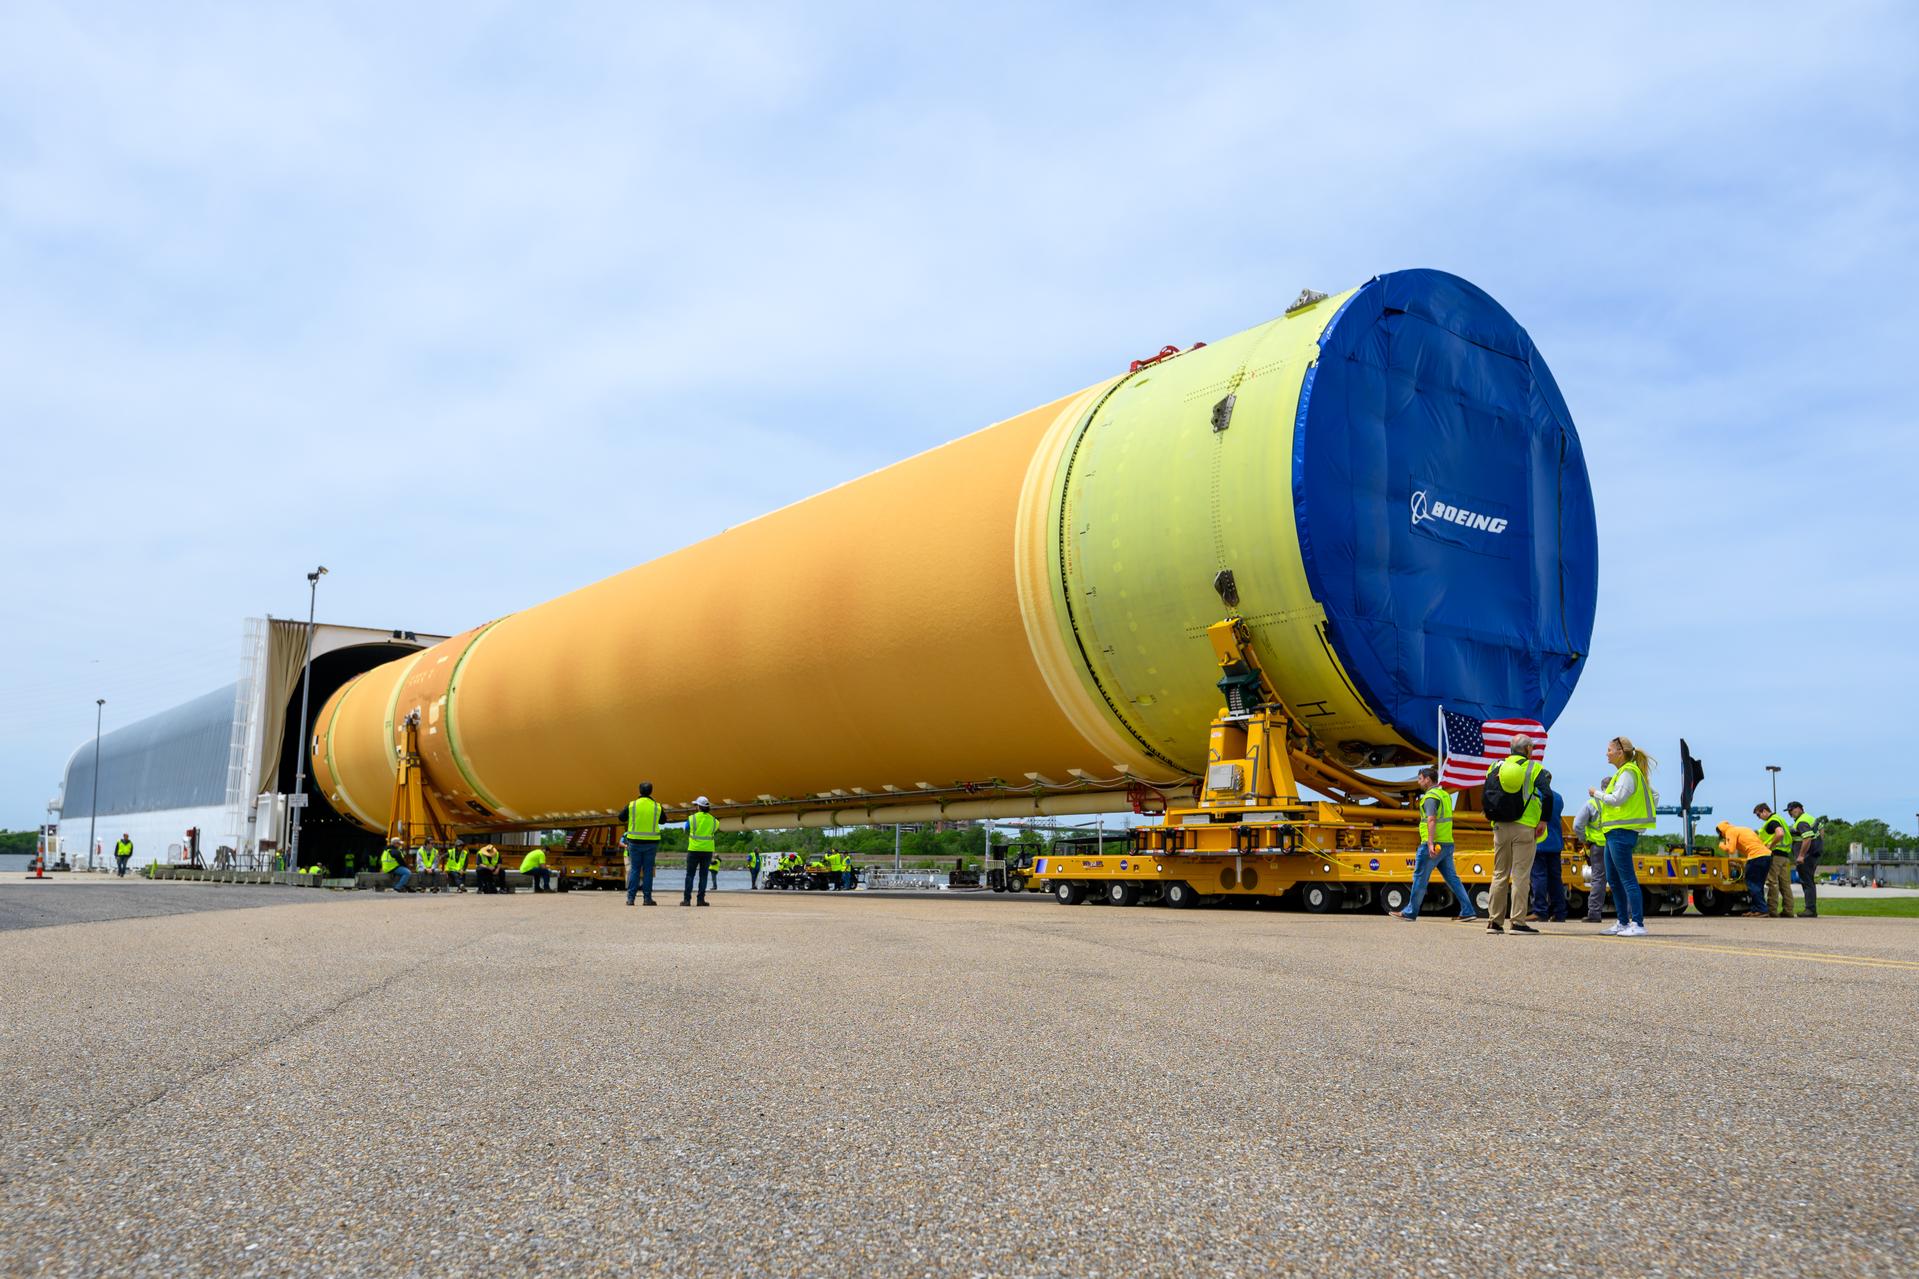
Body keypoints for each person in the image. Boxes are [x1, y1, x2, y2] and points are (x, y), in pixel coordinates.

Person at [1591, 737, 1657, 936]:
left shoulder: (1628, 772)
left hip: (1621, 832)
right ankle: (1622, 922)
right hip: (1614, 832)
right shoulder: (1624, 772)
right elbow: (1653, 796)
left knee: (1627, 878)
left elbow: (1618, 799)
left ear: (1620, 752)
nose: (1607, 753)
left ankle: (1637, 923)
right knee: (1613, 878)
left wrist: (1597, 793)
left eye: (1609, 749)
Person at [1483, 733, 1546, 935]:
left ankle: (1494, 922)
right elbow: (1549, 795)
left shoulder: (1494, 767)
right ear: (1527, 750)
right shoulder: (1533, 768)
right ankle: (1517, 922)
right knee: (1520, 875)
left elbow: (1487, 792)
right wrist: (1543, 820)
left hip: (1500, 825)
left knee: (1499, 874)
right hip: (1524, 827)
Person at [1395, 767, 1476, 922]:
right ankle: (1468, 910)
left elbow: (1431, 820)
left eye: (1420, 778)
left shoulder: (1430, 797)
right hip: (1447, 843)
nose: (1418, 782)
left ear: (1427, 779)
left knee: (1420, 878)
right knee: (1453, 879)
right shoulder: (1444, 795)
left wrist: (1430, 843)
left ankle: (1410, 912)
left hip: (1432, 845)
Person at [1529, 784, 1567, 923]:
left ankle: (1539, 911)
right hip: (1555, 843)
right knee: (1556, 879)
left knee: (1538, 877)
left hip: (1539, 842)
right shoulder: (1558, 797)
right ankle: (1559, 912)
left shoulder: (1534, 795)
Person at [1717, 821, 1773, 916]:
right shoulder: (1743, 829)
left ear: (1721, 831)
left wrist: (1722, 845)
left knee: (1751, 883)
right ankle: (1756, 909)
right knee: (1758, 884)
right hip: (1767, 855)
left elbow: (1731, 850)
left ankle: (1762, 909)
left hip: (1756, 857)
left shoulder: (1729, 832)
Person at [623, 782, 664, 907]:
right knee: (647, 871)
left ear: (639, 791)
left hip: (634, 842)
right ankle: (647, 899)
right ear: (651, 791)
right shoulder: (657, 806)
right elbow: (663, 821)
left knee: (635, 870)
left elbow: (621, 817)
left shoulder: (632, 805)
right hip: (651, 844)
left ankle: (631, 899)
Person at [1754, 803, 1795, 918]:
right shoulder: (1780, 819)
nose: (1759, 818)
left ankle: (1772, 910)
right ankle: (1788, 910)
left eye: (1758, 815)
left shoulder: (1772, 821)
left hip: (1775, 856)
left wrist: (1770, 846)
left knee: (1772, 882)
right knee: (1785, 885)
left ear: (1764, 811)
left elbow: (1780, 834)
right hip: (1785, 856)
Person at [1575, 784, 1607, 922]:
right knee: (1622, 878)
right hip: (1616, 844)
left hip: (1597, 846)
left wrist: (1584, 840)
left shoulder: (1592, 803)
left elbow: (1577, 825)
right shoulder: (1619, 803)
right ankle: (1629, 914)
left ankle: (1594, 914)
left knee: (1598, 879)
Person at [1786, 802, 1823, 918]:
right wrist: (1818, 844)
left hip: (1806, 857)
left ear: (1799, 808)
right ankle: (1811, 908)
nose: (1790, 813)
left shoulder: (1801, 822)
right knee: (1809, 881)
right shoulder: (1811, 818)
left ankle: (1810, 909)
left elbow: (1806, 839)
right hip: (1814, 854)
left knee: (1807, 882)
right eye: (1789, 811)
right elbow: (1821, 831)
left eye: (1791, 810)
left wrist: (1801, 855)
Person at [683, 797, 717, 906]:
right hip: (707, 850)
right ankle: (700, 900)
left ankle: (687, 900)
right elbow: (714, 830)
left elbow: (686, 829)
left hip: (693, 849)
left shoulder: (692, 818)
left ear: (698, 807)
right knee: (703, 875)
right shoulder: (714, 821)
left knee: (690, 875)